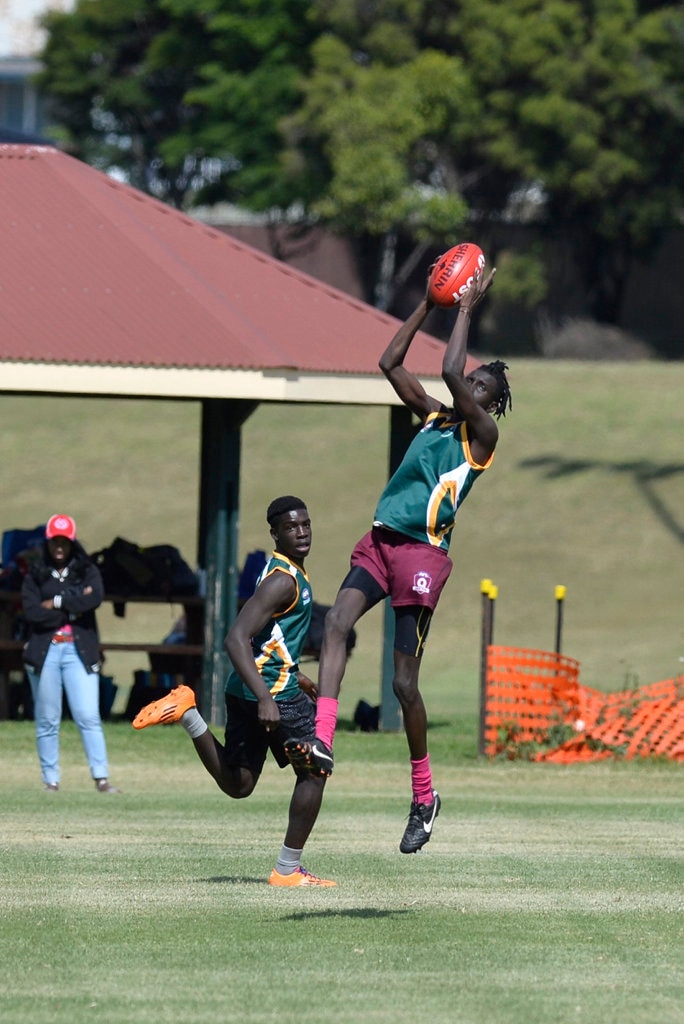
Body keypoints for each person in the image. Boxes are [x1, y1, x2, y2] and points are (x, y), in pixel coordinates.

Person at [285, 267, 512, 854]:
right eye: (475, 381)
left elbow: (448, 370)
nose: (474, 388)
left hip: (422, 555)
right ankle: (324, 738)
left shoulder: (480, 435)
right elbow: (390, 363)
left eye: (482, 386)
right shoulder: (438, 417)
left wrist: (466, 306)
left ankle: (423, 795)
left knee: (403, 684)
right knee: (334, 624)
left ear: (489, 402)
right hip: (382, 542)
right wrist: (428, 305)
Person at [132, 496, 335, 887]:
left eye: (306, 524)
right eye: (291, 527)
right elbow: (236, 638)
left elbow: (267, 638)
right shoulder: (282, 580)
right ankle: (288, 870)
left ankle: (188, 712)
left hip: (253, 685)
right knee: (315, 769)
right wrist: (265, 697)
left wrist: (298, 676)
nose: (302, 532)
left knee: (239, 784)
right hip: (270, 691)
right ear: (274, 533)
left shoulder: (286, 572)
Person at [22, 513, 118, 793]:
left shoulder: (87, 570)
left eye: (65, 542)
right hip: (46, 650)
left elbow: (95, 598)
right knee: (48, 718)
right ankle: (50, 780)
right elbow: (32, 612)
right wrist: (73, 609)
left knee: (88, 715)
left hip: (79, 651)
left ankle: (101, 778)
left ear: (73, 543)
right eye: (55, 542)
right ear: (48, 543)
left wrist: (57, 602)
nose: (59, 547)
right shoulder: (36, 573)